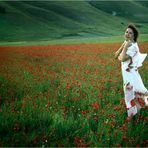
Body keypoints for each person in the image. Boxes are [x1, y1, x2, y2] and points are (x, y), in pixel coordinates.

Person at [114, 23, 148, 117]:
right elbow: (116, 56)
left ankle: (132, 116)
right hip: (127, 74)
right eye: (126, 32)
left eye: (130, 33)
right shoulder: (127, 43)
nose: (127, 34)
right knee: (135, 94)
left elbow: (122, 59)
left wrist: (124, 47)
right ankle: (136, 113)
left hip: (131, 75)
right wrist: (123, 45)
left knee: (129, 95)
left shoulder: (133, 47)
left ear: (134, 35)